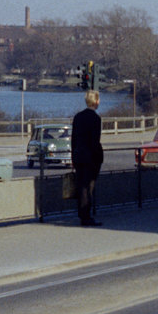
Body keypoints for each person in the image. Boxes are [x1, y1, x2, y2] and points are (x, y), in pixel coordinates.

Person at [71, 89, 104, 226]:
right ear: (96, 101)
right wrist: (98, 157)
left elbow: (73, 139)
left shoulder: (78, 117)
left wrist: (74, 155)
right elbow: (94, 141)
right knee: (88, 187)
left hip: (79, 155)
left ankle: (82, 214)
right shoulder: (95, 119)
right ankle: (86, 216)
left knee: (81, 185)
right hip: (90, 157)